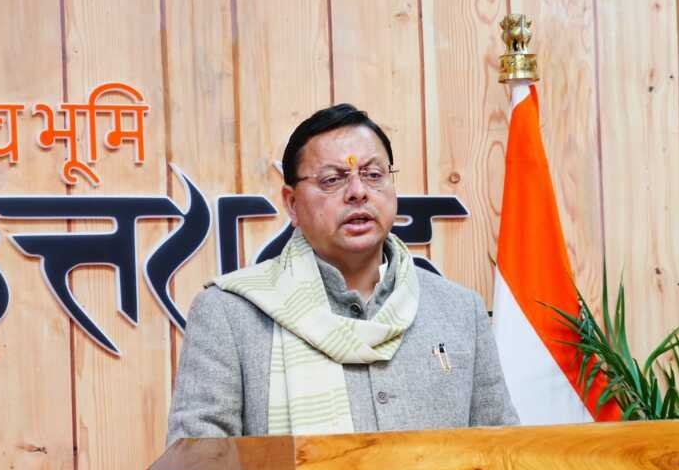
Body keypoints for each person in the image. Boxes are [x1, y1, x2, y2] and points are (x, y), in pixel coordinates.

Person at [166, 104, 517, 443]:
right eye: (332, 179)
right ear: (292, 203)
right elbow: (200, 468)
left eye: (373, 175)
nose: (358, 192)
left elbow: (505, 454)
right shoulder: (230, 314)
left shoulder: (459, 311)